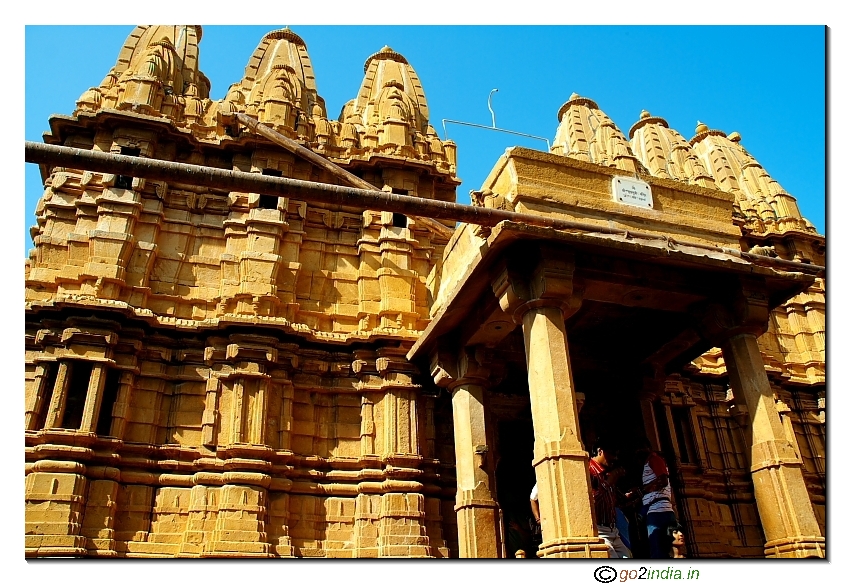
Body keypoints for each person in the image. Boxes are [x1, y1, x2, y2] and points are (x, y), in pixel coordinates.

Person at [633, 438, 677, 559]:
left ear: (648, 448)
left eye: (640, 448)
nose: (638, 452)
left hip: (658, 512)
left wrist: (645, 489)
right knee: (666, 550)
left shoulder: (654, 459)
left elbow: (663, 480)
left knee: (658, 551)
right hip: (661, 510)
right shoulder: (651, 463)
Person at [588, 439, 632, 558]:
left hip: (613, 529)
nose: (615, 458)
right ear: (600, 451)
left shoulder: (606, 473)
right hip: (599, 530)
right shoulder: (589, 471)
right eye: (612, 454)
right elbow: (590, 501)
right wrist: (609, 482)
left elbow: (616, 501)